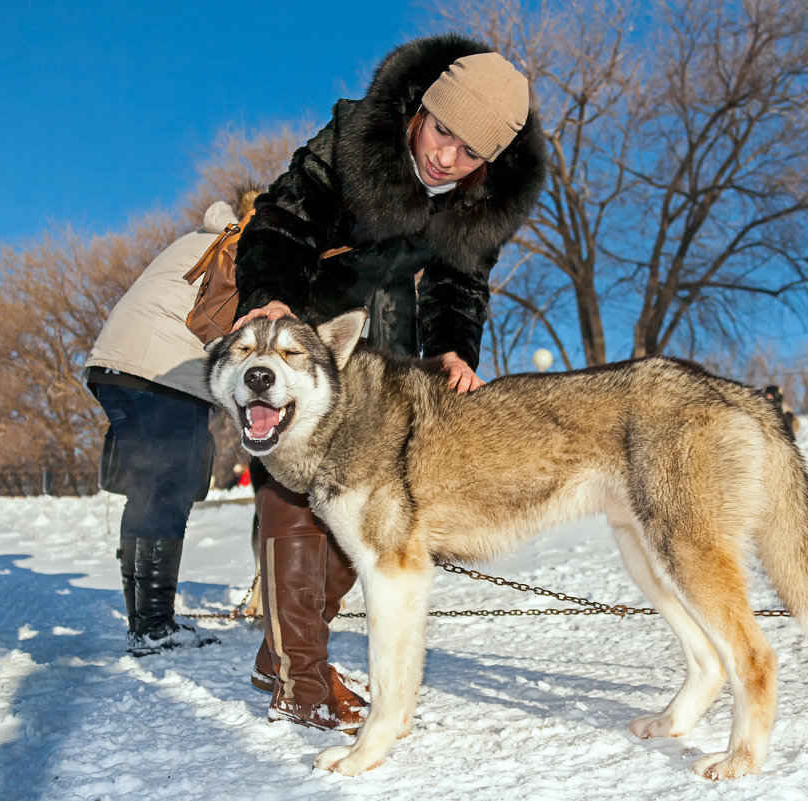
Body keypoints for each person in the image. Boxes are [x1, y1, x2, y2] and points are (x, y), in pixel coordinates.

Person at [232, 34, 547, 733]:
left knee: (363, 532)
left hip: (386, 368)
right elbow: (278, 222)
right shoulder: (352, 136)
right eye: (442, 130)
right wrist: (271, 296)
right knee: (291, 508)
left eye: (469, 150)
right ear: (422, 107)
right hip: (303, 336)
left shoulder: (479, 200)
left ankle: (277, 656)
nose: (445, 156)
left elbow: (459, 282)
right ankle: (301, 680)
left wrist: (450, 349)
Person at [85, 190, 257, 656]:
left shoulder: (200, 236)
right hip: (163, 373)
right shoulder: (248, 242)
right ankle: (156, 627)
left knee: (145, 489)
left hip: (113, 366)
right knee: (170, 488)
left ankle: (144, 623)